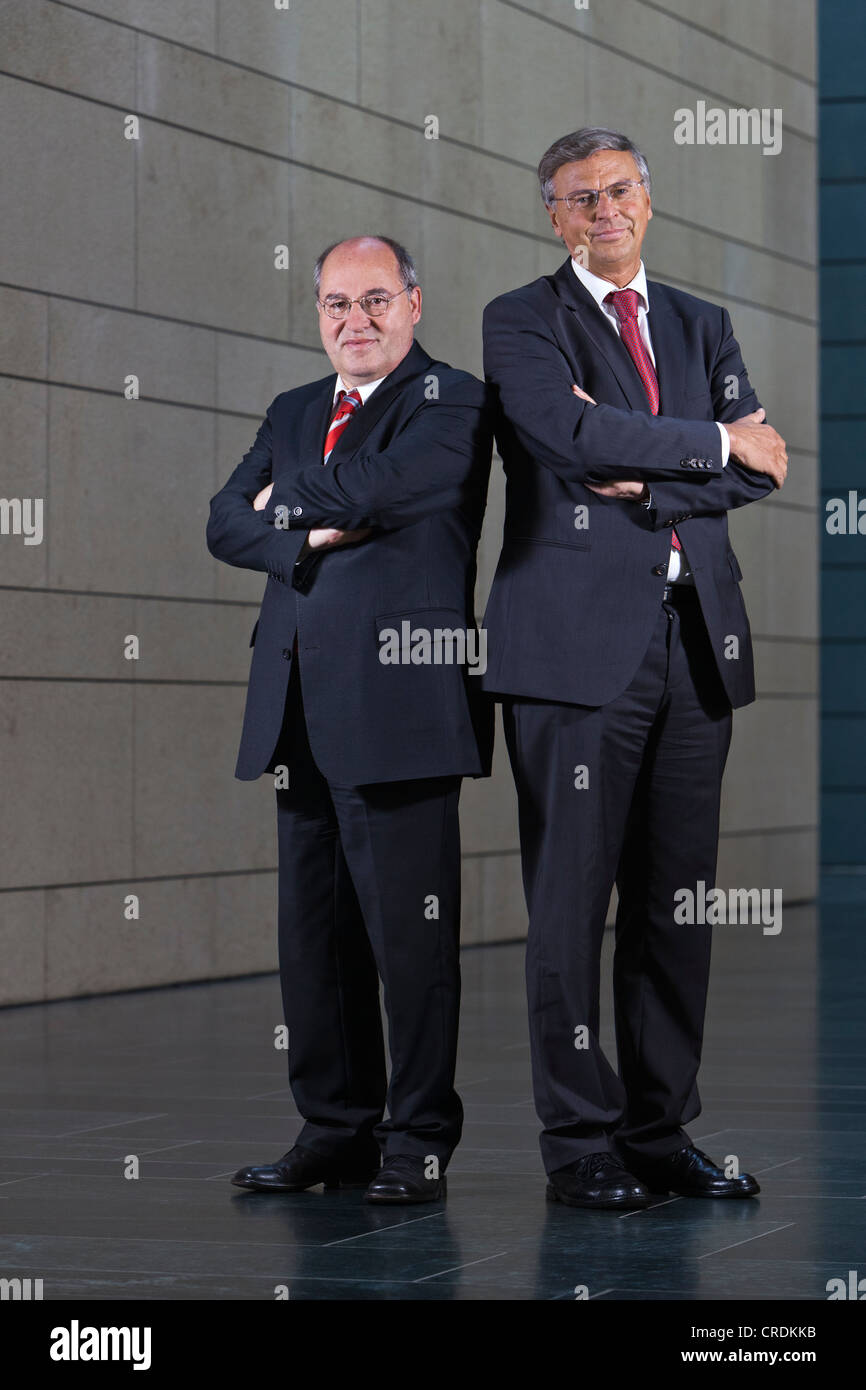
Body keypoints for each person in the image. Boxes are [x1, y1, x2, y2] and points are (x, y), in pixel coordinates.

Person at [481, 128, 788, 1209]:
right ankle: (579, 1144)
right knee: (569, 908)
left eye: (617, 190)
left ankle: (659, 1134)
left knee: (675, 905)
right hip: (570, 654)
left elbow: (766, 469)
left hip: (692, 640)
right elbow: (570, 436)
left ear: (646, 201)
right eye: (577, 198)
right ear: (552, 215)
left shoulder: (701, 324)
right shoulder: (522, 320)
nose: (601, 209)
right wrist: (710, 445)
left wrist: (657, 480)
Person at [207, 235, 493, 1204]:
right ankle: (334, 1127)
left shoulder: (450, 400)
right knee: (315, 939)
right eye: (335, 303)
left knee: (409, 940)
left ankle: (415, 1136)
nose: (354, 321)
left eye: (375, 300)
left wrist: (279, 508)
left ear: (414, 303)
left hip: (401, 703)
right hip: (293, 706)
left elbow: (386, 488)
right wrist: (310, 533)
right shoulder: (293, 409)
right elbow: (218, 519)